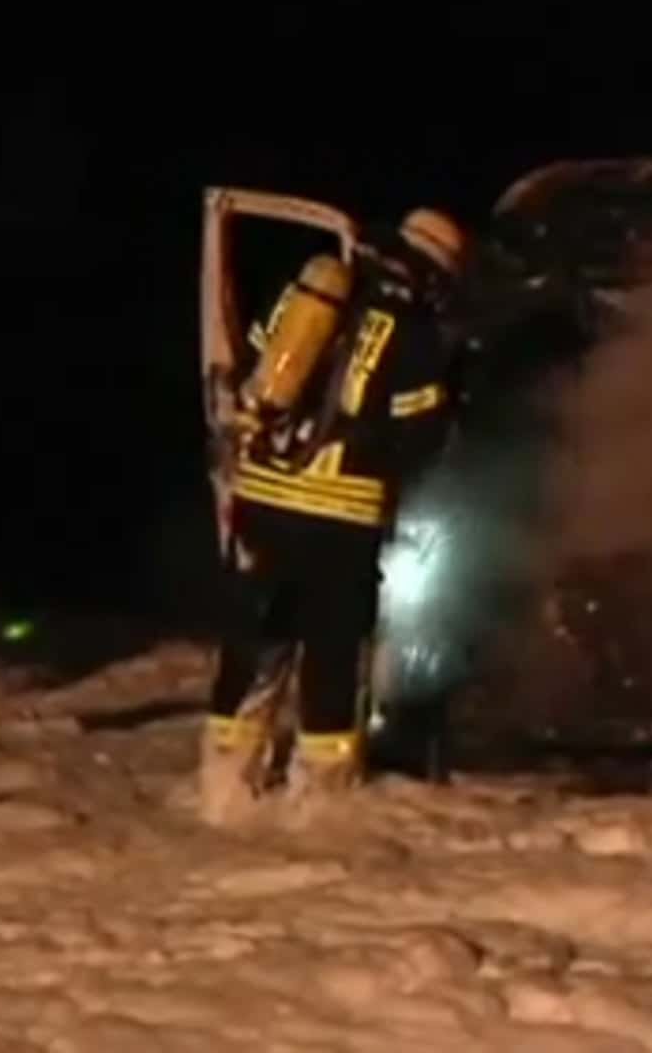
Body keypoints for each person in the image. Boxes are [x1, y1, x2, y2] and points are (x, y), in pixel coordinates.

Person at [199, 208, 468, 828]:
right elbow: (421, 436)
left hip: (264, 503)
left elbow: (254, 374)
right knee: (330, 655)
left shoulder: (311, 296)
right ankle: (320, 799)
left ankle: (223, 787)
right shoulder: (418, 335)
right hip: (339, 517)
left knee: (255, 641)